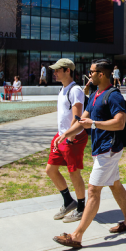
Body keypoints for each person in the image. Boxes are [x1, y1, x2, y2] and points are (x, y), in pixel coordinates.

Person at [52, 59, 126, 248]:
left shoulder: (113, 96)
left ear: (101, 74)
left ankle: (76, 236)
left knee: (93, 190)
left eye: (91, 72)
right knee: (114, 185)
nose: (88, 75)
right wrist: (66, 134)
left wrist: (95, 124)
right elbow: (83, 120)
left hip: (110, 148)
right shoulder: (96, 95)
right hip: (101, 148)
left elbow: (120, 122)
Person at [45, 59, 89, 223]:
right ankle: (68, 201)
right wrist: (61, 135)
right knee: (50, 170)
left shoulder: (75, 90)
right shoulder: (63, 89)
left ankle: (81, 208)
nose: (54, 73)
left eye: (57, 70)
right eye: (54, 70)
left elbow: (78, 117)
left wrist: (69, 136)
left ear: (67, 71)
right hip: (61, 136)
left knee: (73, 172)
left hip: (73, 137)